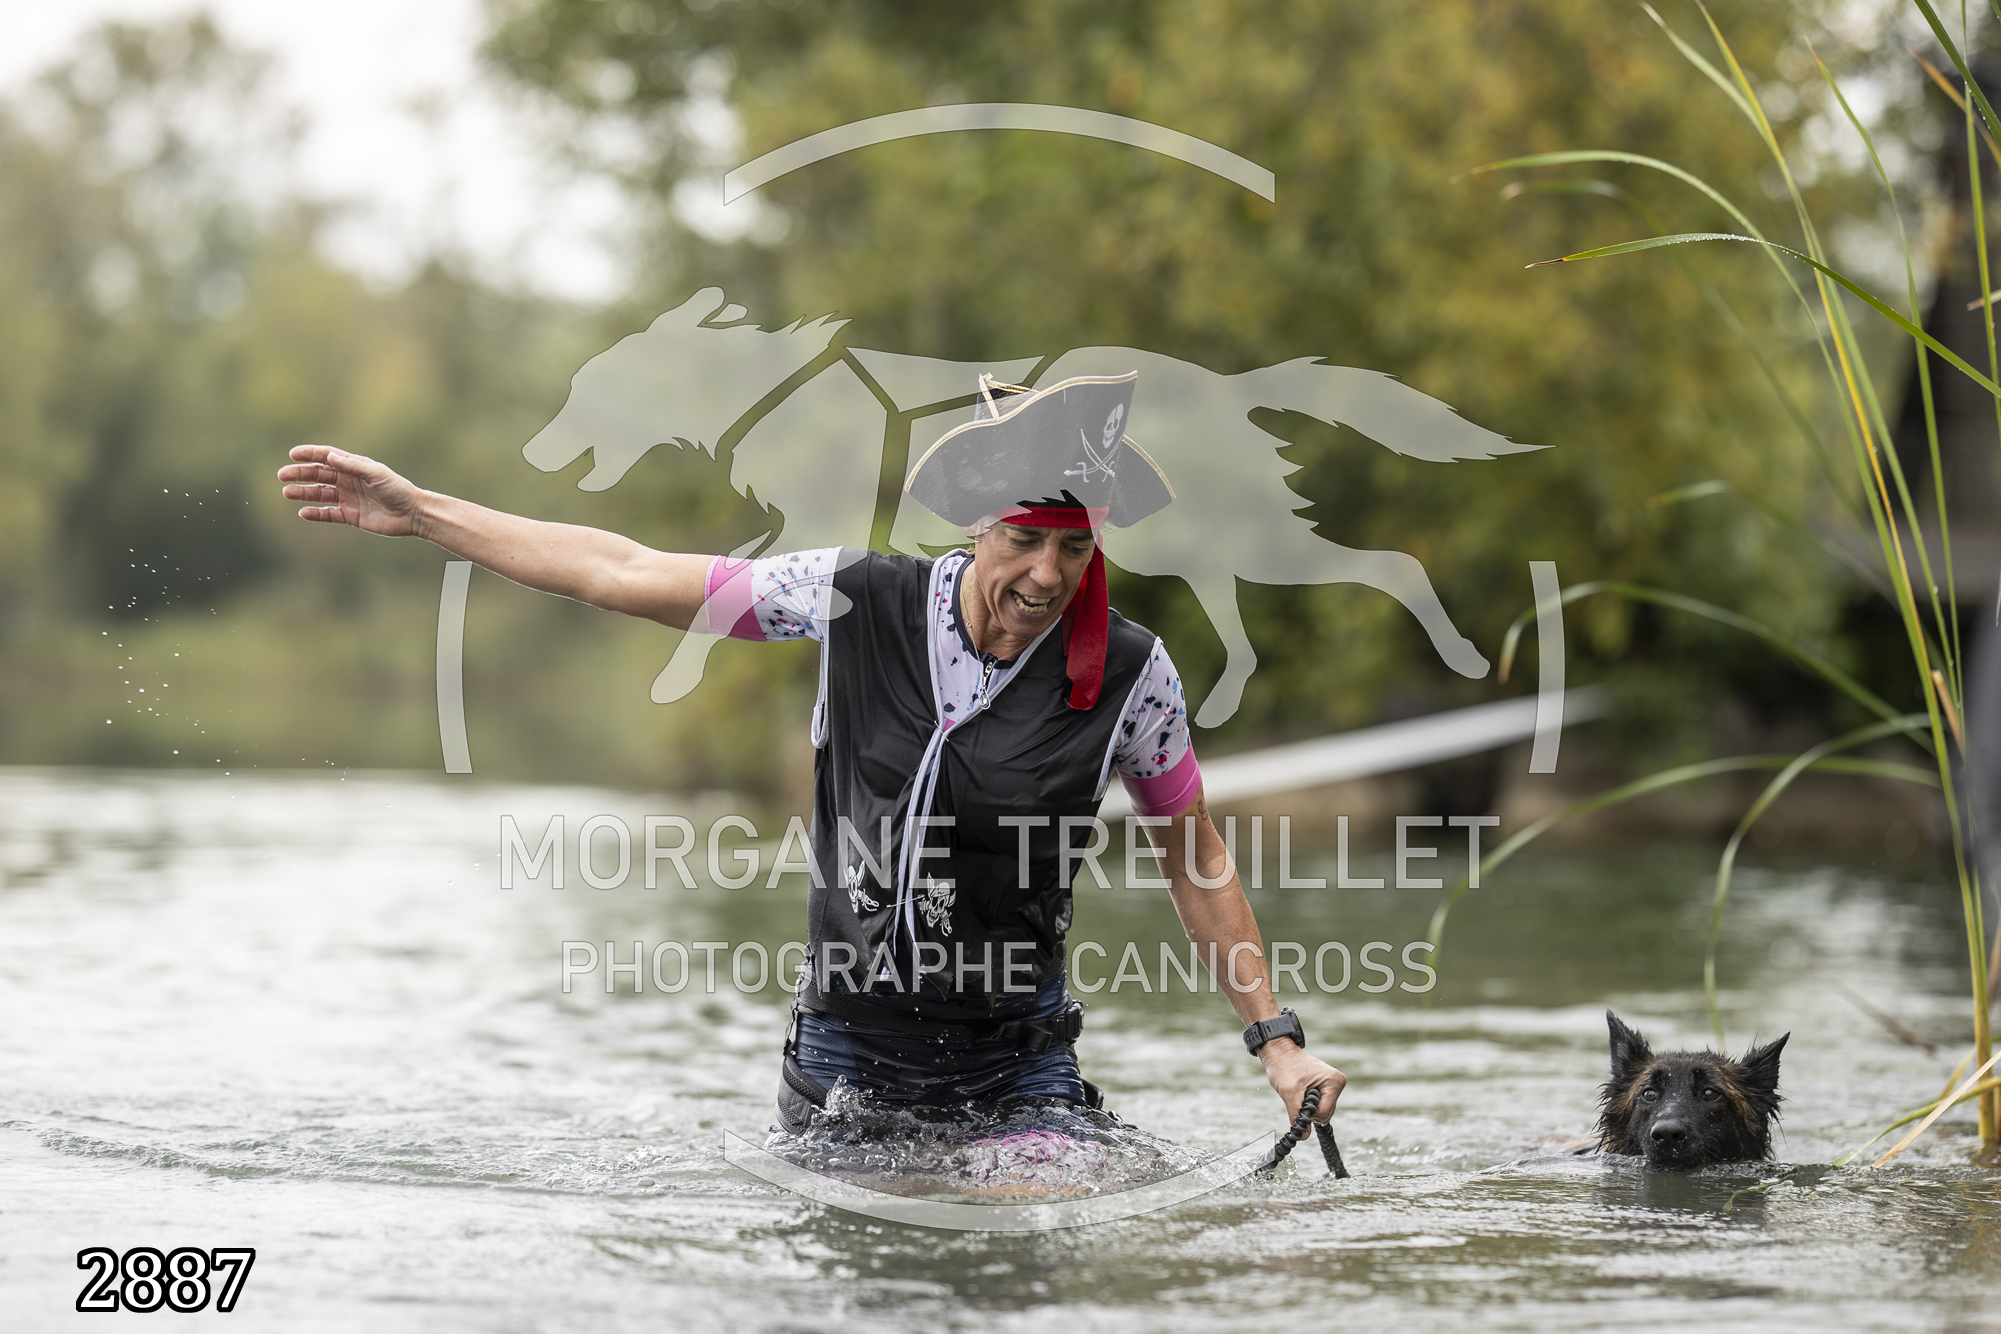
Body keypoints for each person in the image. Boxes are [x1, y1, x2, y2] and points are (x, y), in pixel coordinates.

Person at [278, 369, 1345, 1139]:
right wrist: (424, 513)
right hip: (846, 1058)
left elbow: (1196, 859)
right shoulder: (849, 598)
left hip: (1018, 1062)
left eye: (1074, 548)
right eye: (1024, 539)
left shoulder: (1133, 674)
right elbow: (622, 569)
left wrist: (1278, 1040)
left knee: (1030, 1221)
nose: (1045, 574)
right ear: (977, 525)